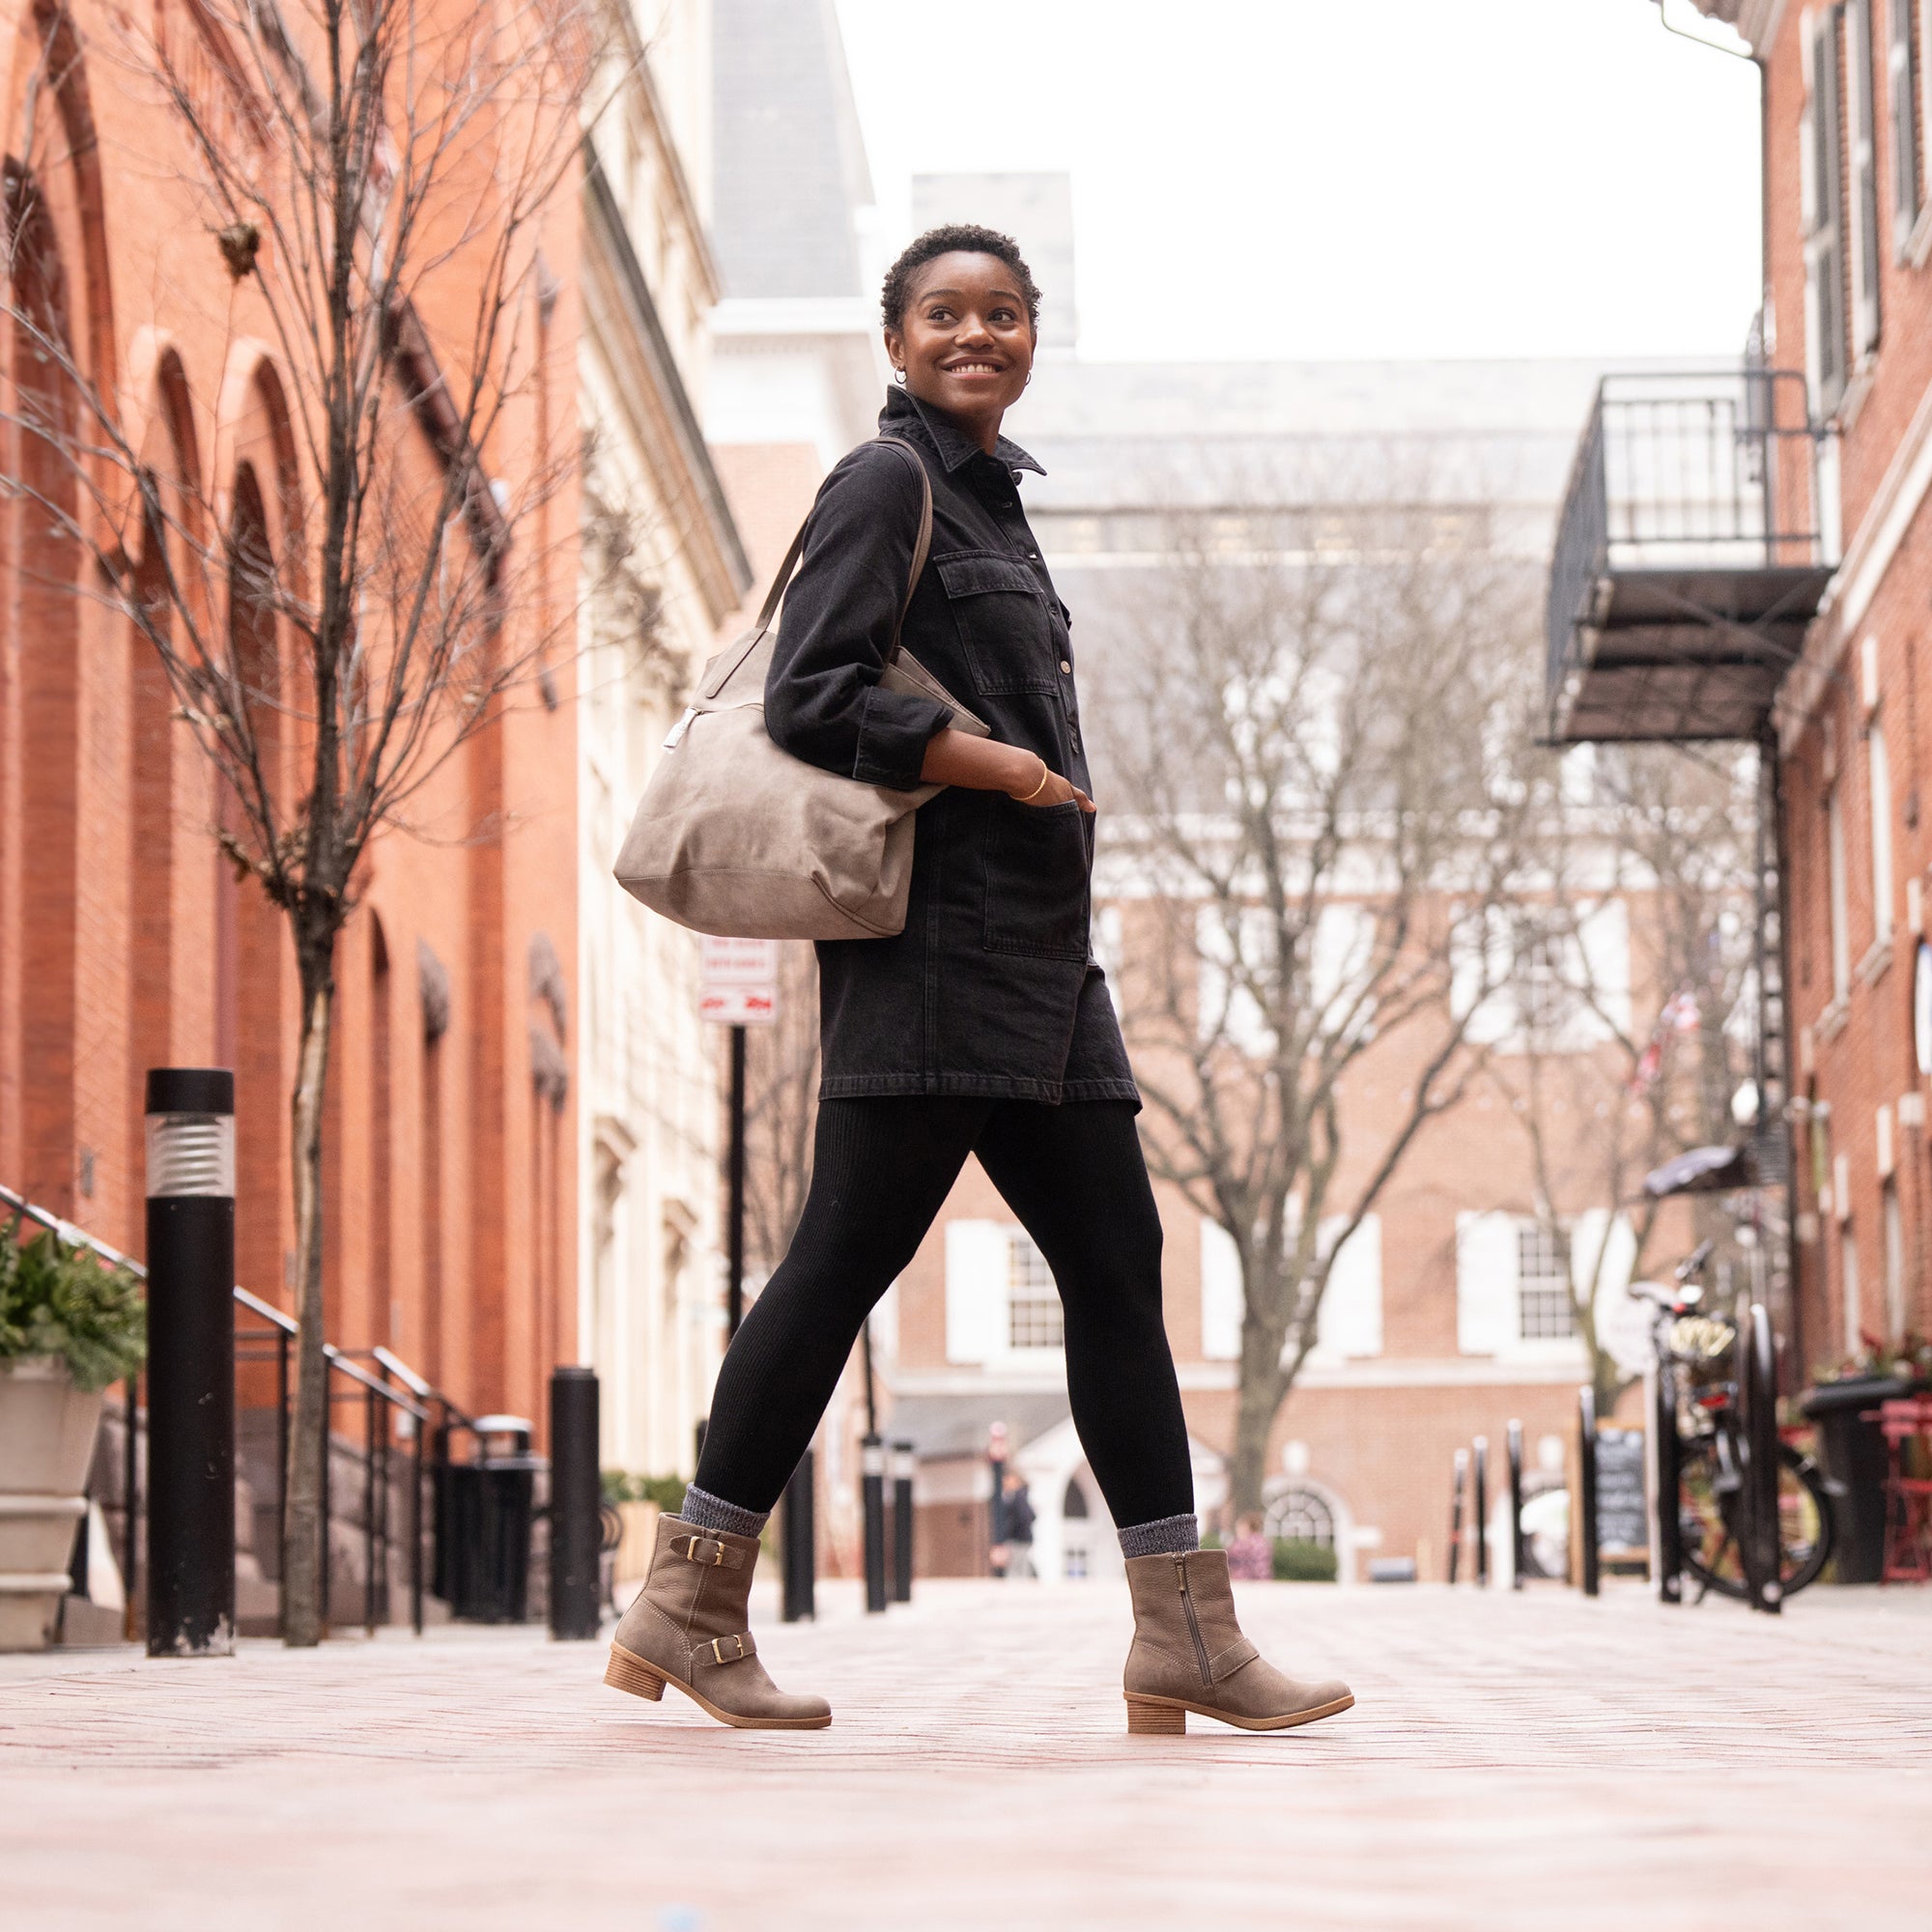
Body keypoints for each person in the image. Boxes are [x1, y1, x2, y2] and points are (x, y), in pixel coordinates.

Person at [604, 224, 1352, 1738]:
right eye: (943, 314)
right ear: (895, 341)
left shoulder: (996, 503)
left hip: (1040, 961)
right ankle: (686, 1595)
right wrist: (985, 760)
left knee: (1115, 1264)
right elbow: (816, 690)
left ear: (1028, 337)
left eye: (1002, 314)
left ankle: (1183, 1634)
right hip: (932, 947)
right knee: (836, 1266)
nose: (976, 335)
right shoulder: (887, 481)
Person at [997, 1469, 1037, 1581]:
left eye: (1007, 1479)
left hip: (1018, 1539)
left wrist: (1011, 1532)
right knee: (1020, 1568)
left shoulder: (1018, 1497)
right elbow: (1032, 1515)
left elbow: (1025, 1517)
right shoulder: (1018, 1496)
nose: (1004, 1482)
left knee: (1016, 1570)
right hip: (1020, 1538)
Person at [1225, 1513, 1273, 1582]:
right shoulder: (1263, 1542)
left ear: (1246, 1527)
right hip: (1263, 1580)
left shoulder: (1242, 1544)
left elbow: (1227, 1558)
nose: (1237, 1531)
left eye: (1239, 1527)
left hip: (1244, 1580)